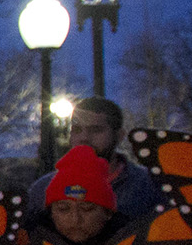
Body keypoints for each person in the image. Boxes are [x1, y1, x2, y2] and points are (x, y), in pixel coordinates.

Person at [25, 97, 158, 227]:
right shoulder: (43, 190)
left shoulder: (148, 186)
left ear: (119, 136)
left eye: (96, 130)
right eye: (76, 130)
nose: (84, 138)